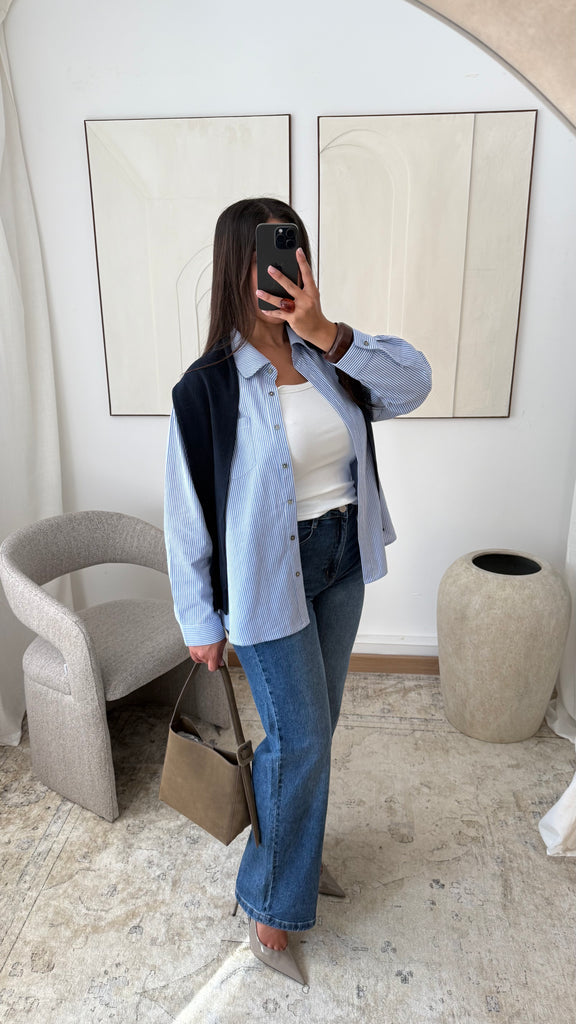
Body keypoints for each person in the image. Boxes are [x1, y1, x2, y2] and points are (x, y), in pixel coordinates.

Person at [164, 197, 432, 986]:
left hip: (340, 561)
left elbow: (413, 383)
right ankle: (270, 904)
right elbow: (185, 512)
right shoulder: (206, 388)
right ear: (235, 268)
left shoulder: (330, 358)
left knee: (315, 729)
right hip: (264, 584)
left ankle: (294, 859)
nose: (282, 272)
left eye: (292, 254)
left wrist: (326, 330)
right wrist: (197, 616)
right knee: (301, 740)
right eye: (264, 258)